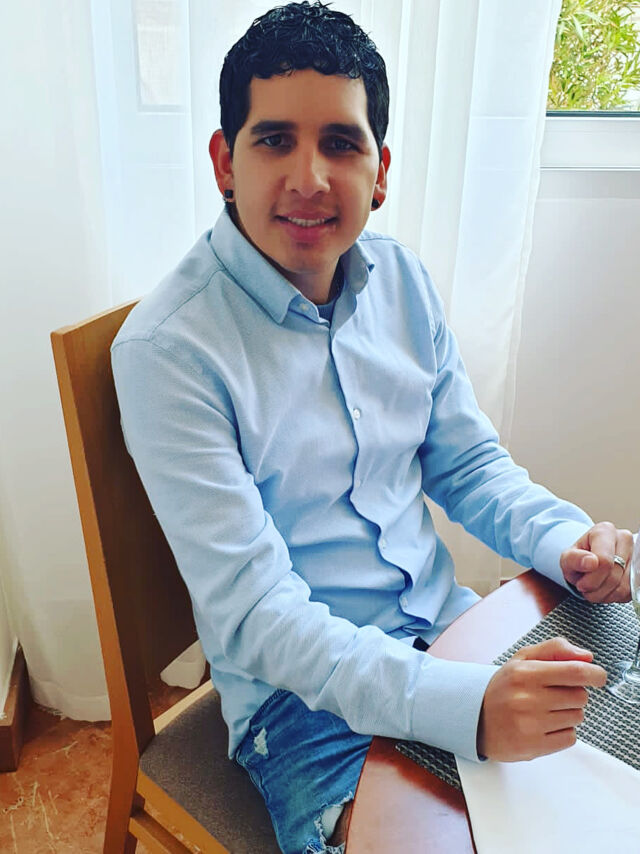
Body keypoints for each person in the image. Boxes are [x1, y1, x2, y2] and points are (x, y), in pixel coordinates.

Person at [111, 3, 632, 852]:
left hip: (451, 632)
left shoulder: (403, 281)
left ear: (381, 169)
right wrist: (466, 705)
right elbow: (259, 618)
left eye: (341, 143)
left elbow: (469, 466)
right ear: (225, 162)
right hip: (304, 708)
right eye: (274, 139)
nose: (310, 177)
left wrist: (565, 539)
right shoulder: (170, 352)